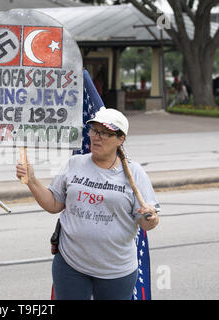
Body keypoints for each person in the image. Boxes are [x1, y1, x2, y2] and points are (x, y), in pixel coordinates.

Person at [16, 108, 160, 300]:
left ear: (120, 139)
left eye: (105, 133)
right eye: (94, 130)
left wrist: (149, 217)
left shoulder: (135, 173)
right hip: (71, 265)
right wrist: (32, 180)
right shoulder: (74, 164)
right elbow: (54, 204)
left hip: (116, 271)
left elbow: (147, 222)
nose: (96, 137)